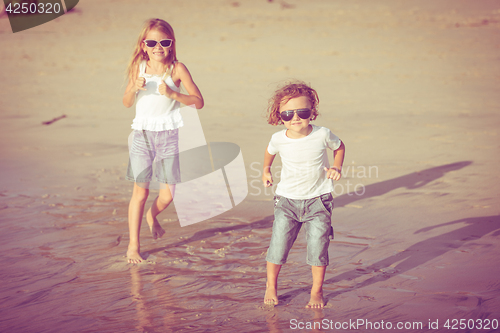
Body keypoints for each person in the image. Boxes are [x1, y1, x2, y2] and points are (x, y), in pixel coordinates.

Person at [123, 18, 204, 264]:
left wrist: (173, 94)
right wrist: (134, 89)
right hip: (142, 136)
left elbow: (198, 101)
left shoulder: (177, 69)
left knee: (167, 196)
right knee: (141, 191)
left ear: (171, 44)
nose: (158, 47)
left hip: (168, 136)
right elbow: (127, 102)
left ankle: (152, 215)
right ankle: (133, 246)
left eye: (164, 42)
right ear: (144, 45)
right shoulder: (139, 67)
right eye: (152, 42)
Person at [262, 81, 345, 308]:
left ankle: (316, 291)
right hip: (286, 201)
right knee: (277, 246)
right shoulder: (278, 138)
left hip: (319, 201)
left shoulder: (322, 134)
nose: (295, 118)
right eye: (288, 114)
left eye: (303, 112)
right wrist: (266, 171)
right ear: (279, 116)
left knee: (318, 249)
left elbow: (339, 147)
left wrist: (336, 167)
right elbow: (269, 153)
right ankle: (271, 286)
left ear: (312, 112)